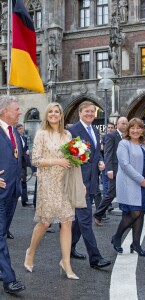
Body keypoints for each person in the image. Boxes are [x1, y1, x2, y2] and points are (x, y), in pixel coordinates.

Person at [24, 102, 78, 280]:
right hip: (47, 182)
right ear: (47, 115)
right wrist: (57, 161)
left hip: (64, 182)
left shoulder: (67, 134)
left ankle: (66, 263)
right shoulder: (41, 134)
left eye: (57, 112)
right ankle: (30, 252)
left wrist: (78, 157)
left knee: (67, 222)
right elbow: (35, 160)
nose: (54, 114)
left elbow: (71, 156)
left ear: (61, 115)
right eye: (51, 112)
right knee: (46, 222)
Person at [68, 101, 111, 269]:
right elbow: (70, 156)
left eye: (92, 112)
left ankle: (69, 247)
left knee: (80, 221)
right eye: (86, 111)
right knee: (86, 220)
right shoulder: (72, 131)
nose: (90, 114)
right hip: (79, 182)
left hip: (93, 181)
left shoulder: (95, 130)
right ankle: (95, 258)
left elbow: (96, 153)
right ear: (80, 113)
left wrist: (100, 161)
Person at [111, 118, 145, 256]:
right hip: (128, 183)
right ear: (128, 130)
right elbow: (125, 165)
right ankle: (117, 237)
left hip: (141, 183)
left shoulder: (143, 145)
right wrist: (141, 179)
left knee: (140, 212)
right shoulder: (124, 144)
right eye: (133, 128)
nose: (136, 130)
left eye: (139, 128)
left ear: (143, 130)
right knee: (134, 213)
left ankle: (136, 244)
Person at [0, 95, 26, 294]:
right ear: (4, 111)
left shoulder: (14, 132)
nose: (19, 112)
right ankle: (9, 279)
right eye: (16, 109)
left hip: (12, 192)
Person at [93, 117, 128, 226]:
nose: (125, 125)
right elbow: (108, 153)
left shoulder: (127, 137)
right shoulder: (111, 135)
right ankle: (98, 215)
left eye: (126, 124)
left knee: (126, 193)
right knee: (111, 194)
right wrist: (109, 170)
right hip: (115, 170)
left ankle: (128, 217)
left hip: (125, 170)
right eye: (122, 123)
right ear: (117, 124)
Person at [15, 123, 32, 207]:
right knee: (21, 182)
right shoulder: (15, 138)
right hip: (18, 163)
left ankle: (25, 201)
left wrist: (28, 150)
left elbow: (26, 147)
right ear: (16, 130)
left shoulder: (24, 138)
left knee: (24, 182)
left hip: (24, 162)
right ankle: (22, 200)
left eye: (22, 128)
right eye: (19, 129)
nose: (21, 130)